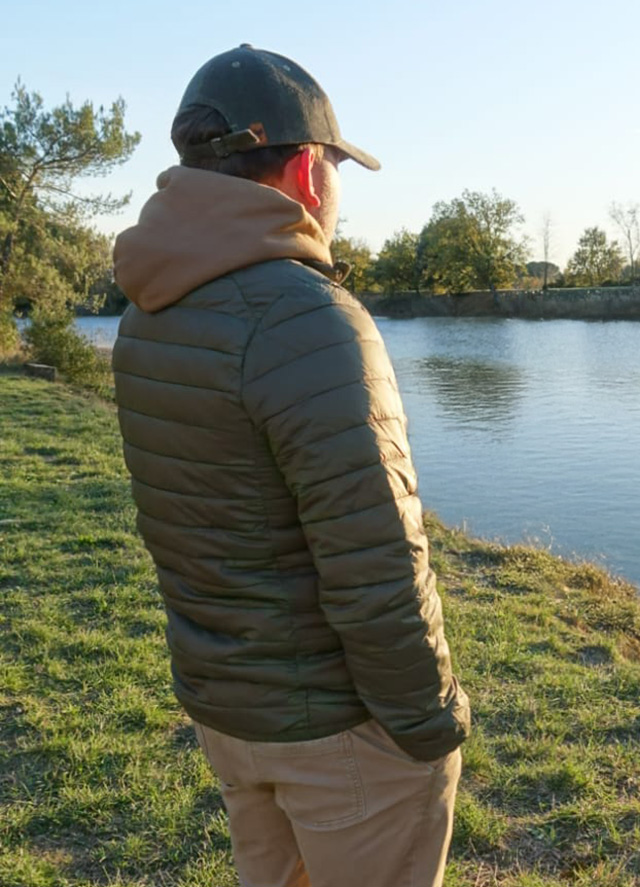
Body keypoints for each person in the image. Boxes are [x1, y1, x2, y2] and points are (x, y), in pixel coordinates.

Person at [111, 45, 469, 887]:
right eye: (339, 167)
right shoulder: (309, 320)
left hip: (230, 711)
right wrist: (428, 725)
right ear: (307, 171)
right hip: (340, 733)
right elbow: (376, 556)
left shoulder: (149, 310)